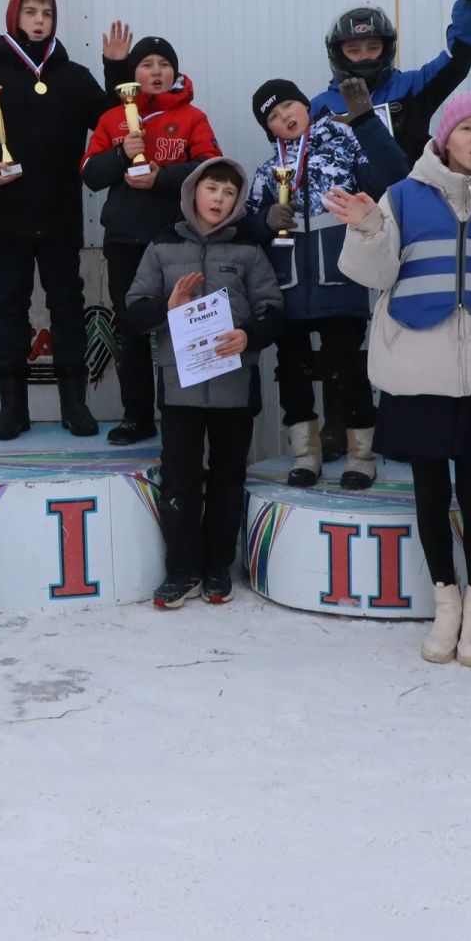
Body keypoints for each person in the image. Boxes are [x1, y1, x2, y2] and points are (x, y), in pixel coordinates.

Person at [331, 93, 471, 666]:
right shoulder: (402, 196)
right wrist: (369, 229)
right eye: (468, 128)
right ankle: (445, 600)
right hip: (415, 366)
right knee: (430, 493)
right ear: (444, 138)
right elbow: (372, 276)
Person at [0, 0, 107, 440]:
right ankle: (11, 408)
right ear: (14, 16)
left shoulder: (73, 76)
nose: (39, 20)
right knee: (10, 309)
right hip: (9, 216)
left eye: (47, 14)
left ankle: (75, 404)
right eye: (31, 12)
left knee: (68, 306)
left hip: (60, 216)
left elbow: (111, 119)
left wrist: (116, 69)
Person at [124, 157, 283, 607]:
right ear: (193, 191)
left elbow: (273, 309)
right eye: (212, 188)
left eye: (230, 193)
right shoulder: (161, 247)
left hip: (235, 386)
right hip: (180, 388)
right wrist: (166, 309)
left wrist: (249, 334)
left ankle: (217, 569)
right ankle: (182, 572)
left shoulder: (250, 250)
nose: (219, 198)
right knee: (180, 480)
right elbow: (133, 310)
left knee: (229, 478)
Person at [241, 78, 407, 488]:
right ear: (269, 131)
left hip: (341, 277)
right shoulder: (267, 169)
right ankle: (305, 455)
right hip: (288, 284)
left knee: (346, 368)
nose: (286, 119)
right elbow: (245, 225)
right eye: (275, 118)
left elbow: (393, 175)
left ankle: (361, 456)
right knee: (292, 372)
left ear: (306, 106)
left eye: (290, 108)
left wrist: (366, 120)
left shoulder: (343, 141)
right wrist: (264, 222)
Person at [80, 36, 223, 445]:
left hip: (177, 240)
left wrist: (162, 177)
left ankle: (184, 415)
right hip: (125, 240)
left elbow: (211, 171)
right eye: (146, 64)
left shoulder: (193, 117)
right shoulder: (113, 120)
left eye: (164, 64)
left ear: (175, 72)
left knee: (185, 327)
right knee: (131, 331)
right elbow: (91, 174)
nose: (156, 71)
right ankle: (136, 417)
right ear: (133, 75)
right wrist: (123, 154)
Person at [309, 0, 471, 158]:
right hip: (343, 190)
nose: (365, 57)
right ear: (338, 54)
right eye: (354, 50)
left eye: (373, 47)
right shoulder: (319, 107)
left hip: (406, 189)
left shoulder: (412, 86)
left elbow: (458, 58)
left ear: (387, 48)